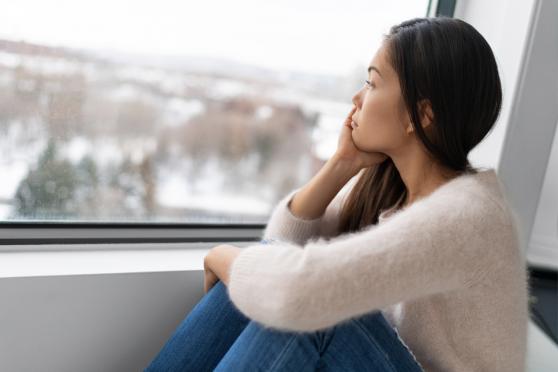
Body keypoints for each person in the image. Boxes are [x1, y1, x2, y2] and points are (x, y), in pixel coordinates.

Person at [146, 16, 528, 371]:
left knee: (310, 310)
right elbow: (282, 241)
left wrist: (223, 257)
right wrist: (342, 163)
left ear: (421, 115)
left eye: (373, 83)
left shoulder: (468, 215)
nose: (356, 99)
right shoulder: (398, 191)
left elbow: (296, 292)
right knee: (262, 279)